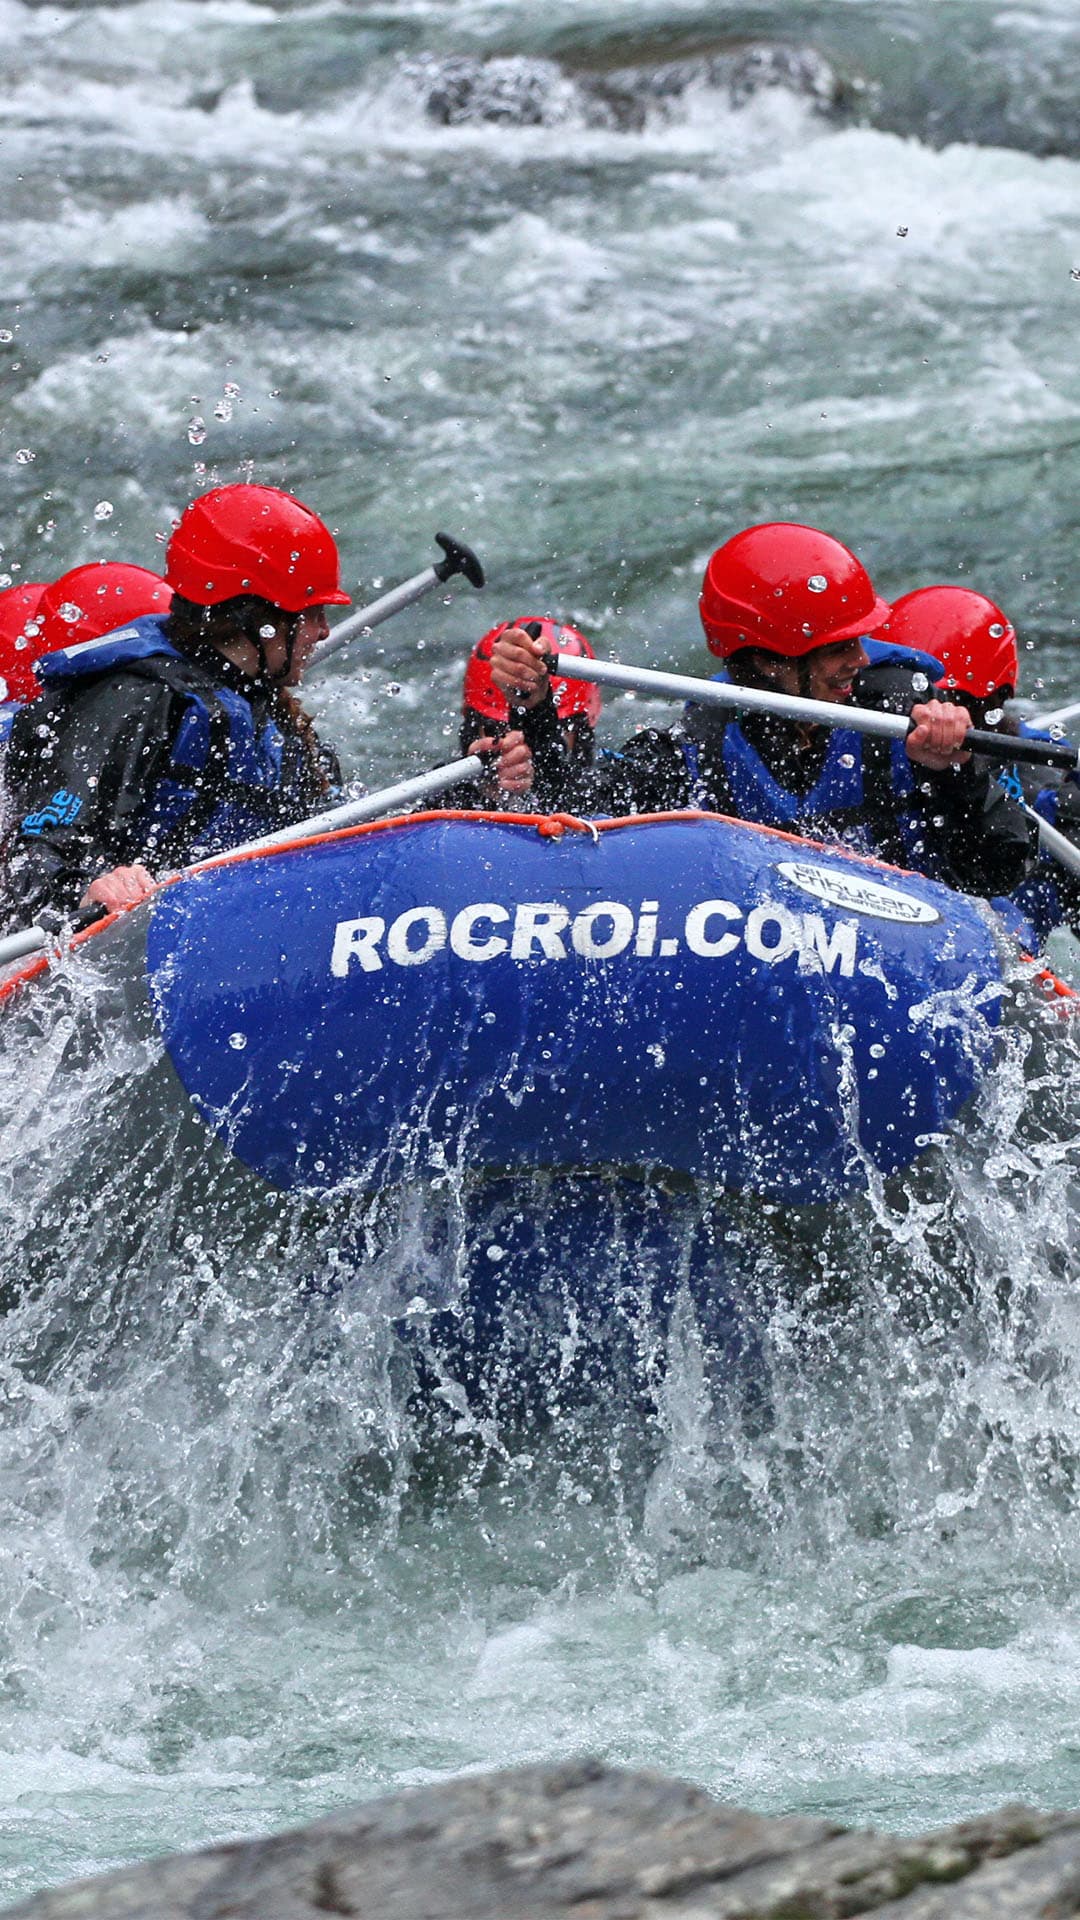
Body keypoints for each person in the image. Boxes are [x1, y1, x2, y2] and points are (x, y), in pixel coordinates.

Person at [2, 484, 530, 929]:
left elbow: (331, 831)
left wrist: (461, 784)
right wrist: (89, 886)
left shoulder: (262, 710)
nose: (323, 632)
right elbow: (32, 857)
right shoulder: (134, 699)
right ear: (256, 618)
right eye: (312, 613)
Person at [489, 522, 1033, 898]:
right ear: (772, 660)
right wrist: (534, 712)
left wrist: (955, 773)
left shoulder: (902, 715)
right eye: (839, 647)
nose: (860, 659)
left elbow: (997, 872)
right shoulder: (703, 743)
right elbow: (576, 814)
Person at [884, 584, 1080, 945]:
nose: (931, 713)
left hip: (1005, 955)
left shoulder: (1041, 777)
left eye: (941, 701)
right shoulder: (863, 745)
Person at [461, 617, 602, 766]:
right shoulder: (443, 785)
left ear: (582, 729)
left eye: (559, 731)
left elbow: (555, 779)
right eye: (495, 731)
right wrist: (484, 786)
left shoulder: (615, 780)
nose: (516, 751)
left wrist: (538, 711)